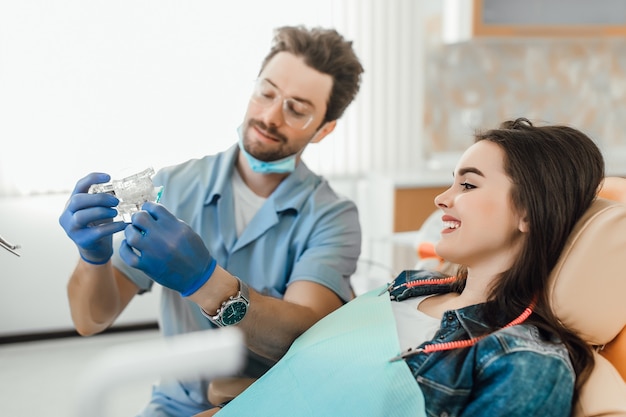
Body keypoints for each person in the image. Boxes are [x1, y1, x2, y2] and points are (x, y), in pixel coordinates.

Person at [199, 118, 603, 417]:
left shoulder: (523, 362)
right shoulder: (412, 286)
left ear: (529, 212)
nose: (442, 199)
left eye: (468, 184)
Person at [59, 25, 364, 416]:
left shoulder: (332, 217)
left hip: (274, 403)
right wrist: (93, 257)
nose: (270, 115)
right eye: (266, 92)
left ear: (324, 129)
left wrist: (206, 282)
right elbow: (91, 320)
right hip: (177, 405)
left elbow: (303, 337)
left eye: (297, 109)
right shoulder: (174, 187)